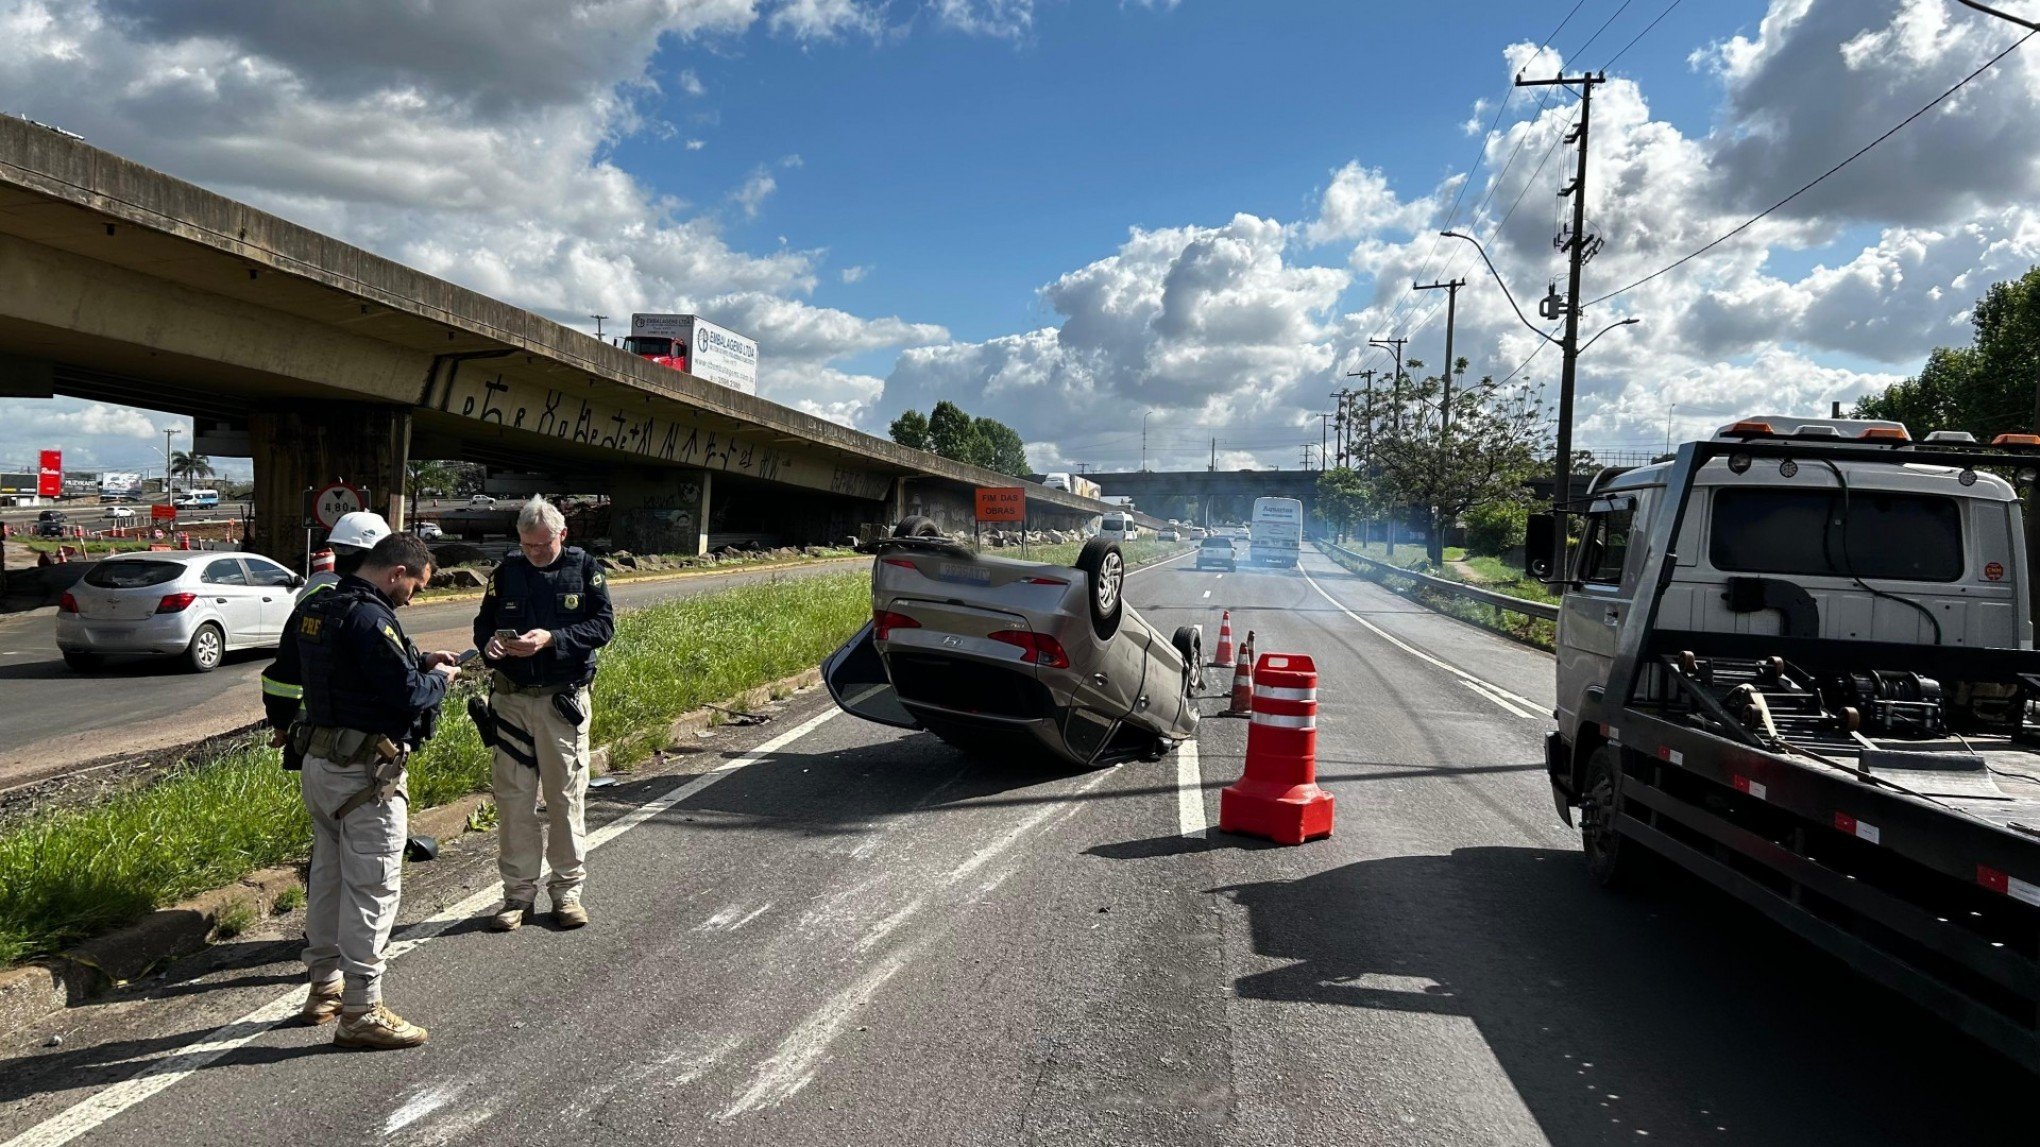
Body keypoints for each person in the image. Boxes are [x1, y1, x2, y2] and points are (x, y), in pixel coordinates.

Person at [270, 532, 458, 1049]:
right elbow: (405, 694)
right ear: (396, 572)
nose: (412, 598)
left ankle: (323, 987)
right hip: (365, 776)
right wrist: (440, 678)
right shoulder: (372, 617)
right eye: (414, 587)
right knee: (373, 887)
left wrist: (418, 660)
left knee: (327, 878)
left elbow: (347, 674)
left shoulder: (319, 607)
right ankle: (362, 1009)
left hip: (319, 766)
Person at [472, 495, 614, 932]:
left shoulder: (585, 569)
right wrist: (489, 647)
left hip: (560, 701)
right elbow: (483, 624)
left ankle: (567, 892)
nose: (534, 553)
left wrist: (551, 639)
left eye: (542, 545)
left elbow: (603, 626)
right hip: (511, 700)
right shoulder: (506, 572)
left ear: (562, 535)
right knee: (514, 801)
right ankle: (517, 895)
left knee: (563, 798)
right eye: (527, 545)